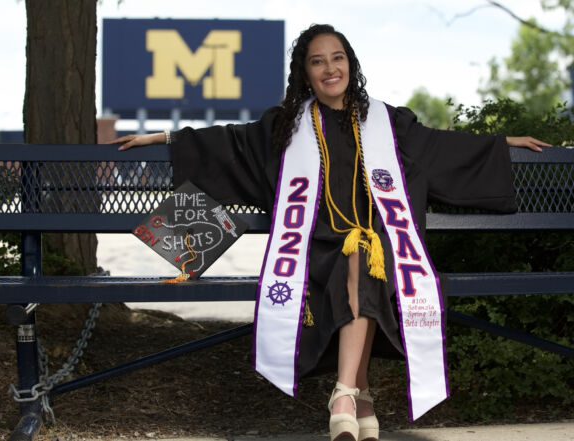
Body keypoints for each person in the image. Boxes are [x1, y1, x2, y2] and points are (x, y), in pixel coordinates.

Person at [111, 23, 550, 441]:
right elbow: (231, 144)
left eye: (337, 58)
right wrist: (167, 138)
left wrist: (502, 144)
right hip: (310, 248)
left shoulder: (388, 122)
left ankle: (345, 395)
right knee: (353, 258)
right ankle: (359, 397)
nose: (330, 69)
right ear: (305, 74)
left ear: (351, 65)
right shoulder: (287, 126)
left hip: (381, 247)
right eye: (318, 62)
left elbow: (441, 147)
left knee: (362, 253)